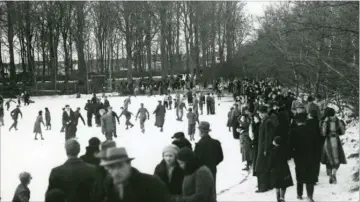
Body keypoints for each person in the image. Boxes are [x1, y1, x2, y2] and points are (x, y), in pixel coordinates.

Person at [100, 147, 172, 202]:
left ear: (129, 164)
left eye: (120, 166)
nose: (116, 171)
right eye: (111, 167)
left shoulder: (151, 184)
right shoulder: (109, 184)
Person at [288, 113, 318, 202]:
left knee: (299, 175)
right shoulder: (312, 130)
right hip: (310, 156)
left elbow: (290, 146)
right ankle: (310, 196)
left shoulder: (293, 131)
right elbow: (317, 146)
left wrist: (291, 155)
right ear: (305, 121)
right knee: (310, 176)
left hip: (299, 157)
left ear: (296, 122)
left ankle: (299, 194)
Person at [194, 121, 223, 194]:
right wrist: (213, 163)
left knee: (203, 192)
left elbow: (196, 160)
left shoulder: (199, 145)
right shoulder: (216, 143)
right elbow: (221, 157)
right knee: (212, 191)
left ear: (201, 131)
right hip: (212, 169)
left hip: (202, 172)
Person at [255, 105, 278, 193]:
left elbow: (268, 137)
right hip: (262, 147)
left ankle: (263, 186)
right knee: (263, 167)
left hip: (264, 149)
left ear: (265, 113)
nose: (260, 115)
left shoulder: (267, 122)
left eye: (261, 113)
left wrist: (265, 149)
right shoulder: (265, 121)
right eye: (260, 113)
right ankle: (266, 185)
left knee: (262, 167)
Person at [320, 107, 347, 184]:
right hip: (336, 140)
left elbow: (323, 133)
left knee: (328, 158)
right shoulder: (338, 120)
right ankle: (334, 174)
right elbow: (342, 131)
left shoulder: (325, 120)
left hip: (328, 140)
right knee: (337, 158)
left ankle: (330, 176)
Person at [270, 136, 293, 202]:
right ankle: (282, 197)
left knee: (277, 184)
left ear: (275, 142)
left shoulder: (273, 150)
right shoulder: (284, 149)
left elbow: (271, 161)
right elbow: (287, 158)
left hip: (276, 169)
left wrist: (270, 168)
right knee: (283, 184)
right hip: (284, 168)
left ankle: (278, 198)